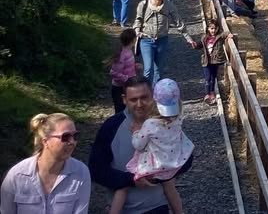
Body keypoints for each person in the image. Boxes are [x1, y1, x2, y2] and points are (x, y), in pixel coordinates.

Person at [89, 75, 194, 214]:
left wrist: (160, 174)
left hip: (157, 206)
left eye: (144, 98)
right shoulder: (111, 127)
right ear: (124, 100)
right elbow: (96, 170)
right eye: (133, 99)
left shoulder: (165, 122)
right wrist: (130, 180)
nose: (139, 104)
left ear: (154, 97)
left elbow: (186, 157)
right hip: (124, 209)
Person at [2, 113, 90, 213]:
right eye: (65, 137)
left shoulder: (81, 173)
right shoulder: (17, 175)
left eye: (75, 136)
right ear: (45, 141)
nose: (72, 142)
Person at [134, 0, 198, 84]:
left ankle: (157, 93)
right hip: (146, 40)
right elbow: (138, 20)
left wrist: (189, 39)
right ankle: (147, 93)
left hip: (162, 40)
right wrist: (137, 32)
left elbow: (179, 23)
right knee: (148, 69)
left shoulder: (169, 6)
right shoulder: (143, 5)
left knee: (158, 70)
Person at [200, 18, 233, 105]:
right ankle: (207, 94)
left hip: (215, 61)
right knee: (207, 78)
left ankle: (212, 92)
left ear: (217, 28)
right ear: (208, 29)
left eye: (215, 28)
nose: (213, 30)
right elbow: (201, 45)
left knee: (213, 77)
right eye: (211, 28)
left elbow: (225, 33)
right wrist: (195, 45)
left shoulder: (219, 37)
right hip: (206, 61)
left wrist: (229, 34)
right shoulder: (204, 38)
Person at [109, 28, 138, 113]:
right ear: (133, 40)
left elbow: (126, 67)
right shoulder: (122, 55)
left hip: (128, 87)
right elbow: (113, 72)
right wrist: (126, 78)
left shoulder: (129, 52)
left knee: (129, 111)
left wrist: (135, 66)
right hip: (119, 88)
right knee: (120, 112)